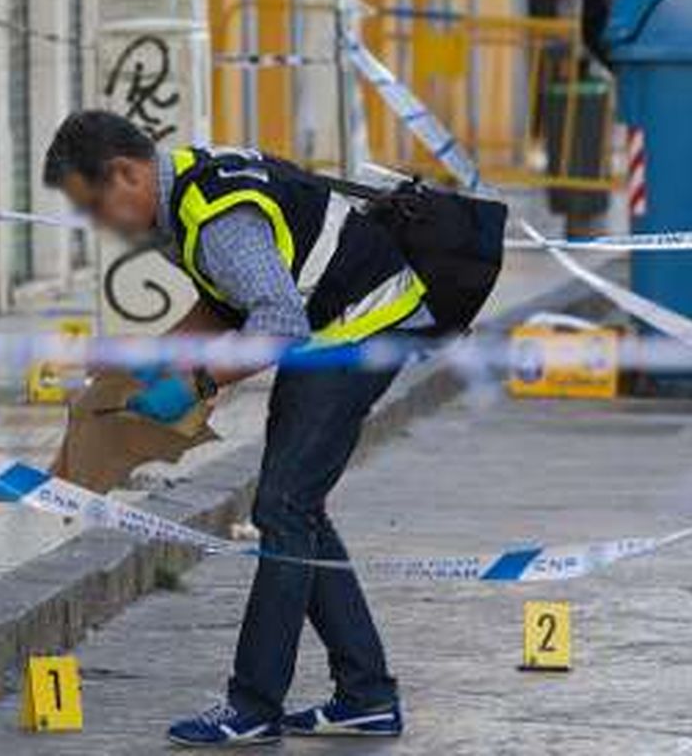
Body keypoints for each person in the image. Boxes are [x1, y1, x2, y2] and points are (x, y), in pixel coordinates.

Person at [44, 111, 433, 747]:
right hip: (342, 324)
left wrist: (197, 385)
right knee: (296, 507)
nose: (98, 227)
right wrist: (142, 361)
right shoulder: (183, 202)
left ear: (125, 173)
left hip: (364, 325)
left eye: (94, 207)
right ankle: (366, 695)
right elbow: (223, 304)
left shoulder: (213, 214)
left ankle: (253, 705)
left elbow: (278, 321)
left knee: (283, 508)